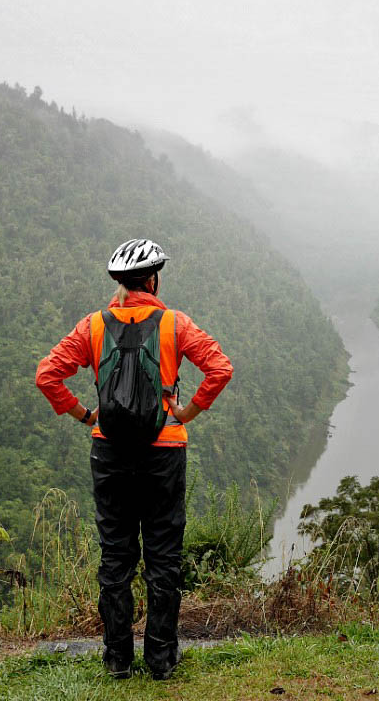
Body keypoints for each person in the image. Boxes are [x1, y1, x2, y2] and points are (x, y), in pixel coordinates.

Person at [35, 238, 233, 680]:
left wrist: (86, 415)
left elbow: (46, 375)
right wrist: (186, 411)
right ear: (154, 280)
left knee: (116, 555)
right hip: (164, 450)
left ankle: (117, 659)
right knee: (163, 553)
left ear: (119, 283)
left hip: (109, 449)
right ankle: (161, 658)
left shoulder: (92, 326)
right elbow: (220, 369)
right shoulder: (175, 324)